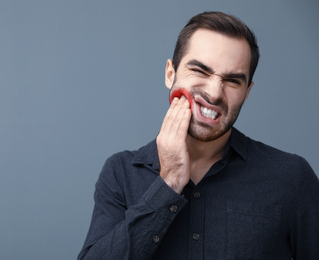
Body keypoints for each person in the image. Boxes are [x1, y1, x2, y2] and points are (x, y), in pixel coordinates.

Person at [78, 11, 319, 260]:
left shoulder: (292, 176)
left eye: (233, 81)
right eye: (201, 71)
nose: (214, 93)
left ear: (247, 93)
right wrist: (168, 183)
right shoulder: (120, 173)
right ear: (170, 74)